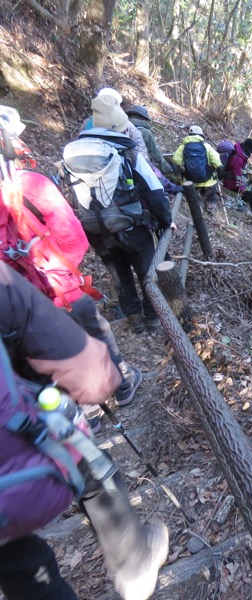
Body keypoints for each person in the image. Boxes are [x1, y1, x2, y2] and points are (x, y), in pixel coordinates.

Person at [0, 262, 169, 600]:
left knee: (16, 561)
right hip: (17, 442)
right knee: (91, 467)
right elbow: (89, 373)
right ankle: (134, 562)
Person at [0, 107, 143, 406]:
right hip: (60, 287)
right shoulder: (31, 185)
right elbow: (72, 236)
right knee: (96, 332)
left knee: (46, 357)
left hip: (16, 311)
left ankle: (84, 411)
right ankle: (122, 384)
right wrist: (62, 272)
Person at [64, 98, 177, 334]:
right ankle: (153, 320)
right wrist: (166, 221)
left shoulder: (73, 154)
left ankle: (134, 321)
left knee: (120, 276)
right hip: (131, 226)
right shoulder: (127, 152)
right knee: (148, 273)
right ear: (118, 126)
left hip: (95, 229)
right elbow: (154, 192)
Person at [172, 125, 222, 214]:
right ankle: (211, 209)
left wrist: (183, 168)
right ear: (201, 135)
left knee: (195, 197)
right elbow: (217, 162)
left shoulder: (183, 147)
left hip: (191, 181)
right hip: (208, 180)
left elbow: (176, 159)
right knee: (211, 195)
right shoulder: (206, 146)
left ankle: (199, 210)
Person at [221, 138, 252, 217]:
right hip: (231, 181)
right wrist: (242, 188)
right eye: (251, 151)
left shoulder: (240, 153)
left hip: (234, 179)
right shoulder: (239, 158)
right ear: (248, 149)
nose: (251, 154)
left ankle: (244, 205)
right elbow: (237, 175)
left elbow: (240, 171)